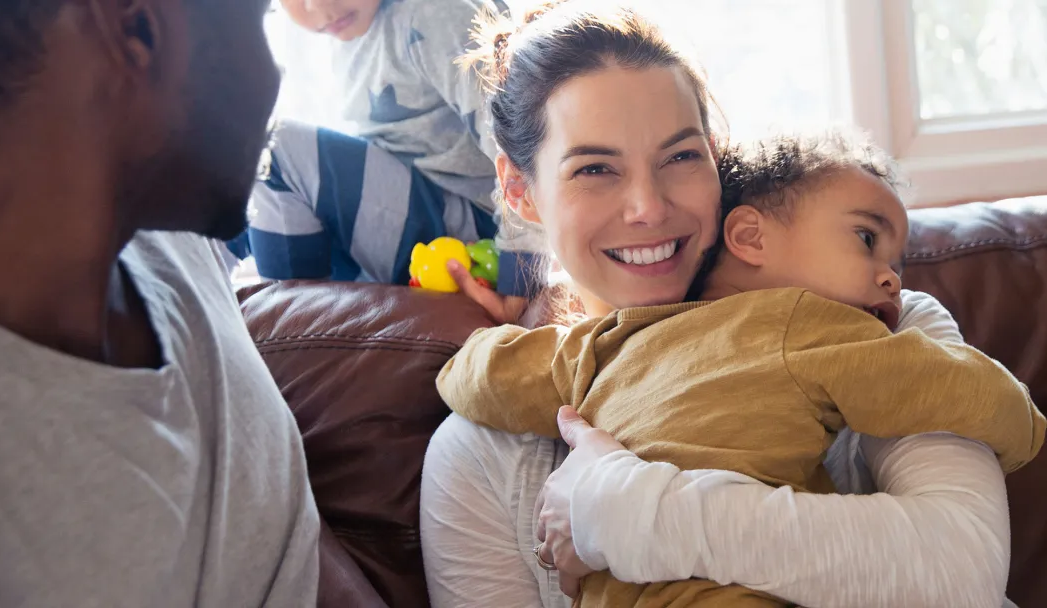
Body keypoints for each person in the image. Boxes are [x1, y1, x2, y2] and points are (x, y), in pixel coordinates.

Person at [421, 2, 1019, 606]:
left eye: (680, 157)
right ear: (520, 191)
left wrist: (620, 510)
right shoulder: (481, 458)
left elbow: (964, 571)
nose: (648, 207)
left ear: (713, 154)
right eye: (595, 168)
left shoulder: (880, 322)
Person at [0, 1, 321, 605]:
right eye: (260, 20)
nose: (278, 74)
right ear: (138, 30)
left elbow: (279, 525)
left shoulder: (175, 239)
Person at [232, 0, 544, 305]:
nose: (318, 7)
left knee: (274, 151)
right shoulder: (355, 31)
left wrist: (519, 278)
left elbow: (520, 146)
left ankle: (292, 331)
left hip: (479, 232)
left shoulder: (435, 13)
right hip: (423, 215)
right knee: (237, 188)